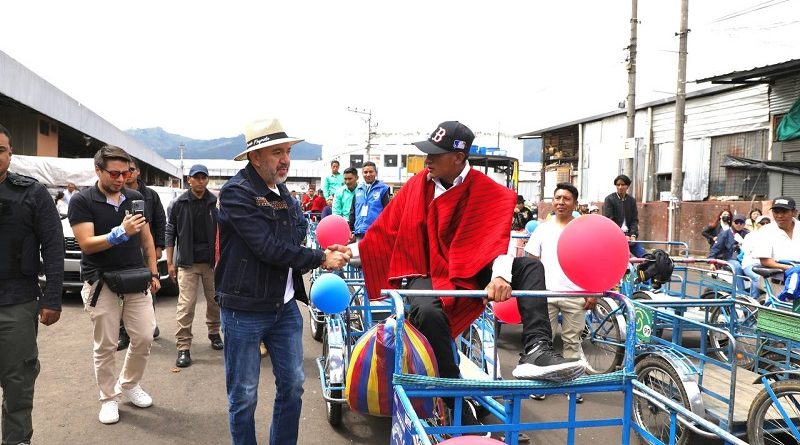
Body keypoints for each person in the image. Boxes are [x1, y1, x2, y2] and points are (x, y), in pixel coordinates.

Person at [351, 121, 585, 430]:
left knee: (530, 267)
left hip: (472, 266)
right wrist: (349, 252)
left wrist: (500, 277)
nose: (427, 160)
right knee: (428, 311)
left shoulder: (487, 191)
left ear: (458, 157)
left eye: (435, 154)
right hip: (424, 267)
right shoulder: (417, 186)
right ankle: (453, 396)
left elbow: (497, 241)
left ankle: (536, 349)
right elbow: (384, 231)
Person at [215, 118, 350, 445]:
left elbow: (296, 234)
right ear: (255, 156)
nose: (286, 159)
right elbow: (266, 247)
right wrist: (320, 258)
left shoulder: (283, 191)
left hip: (285, 307)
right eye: (277, 152)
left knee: (293, 386)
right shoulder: (236, 192)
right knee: (244, 395)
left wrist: (321, 249)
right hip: (243, 309)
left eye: (288, 151)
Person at [68, 145, 160, 425]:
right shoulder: (82, 200)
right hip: (101, 281)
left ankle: (129, 384)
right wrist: (120, 232)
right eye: (115, 173)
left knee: (144, 336)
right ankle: (108, 397)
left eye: (126, 173)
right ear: (98, 170)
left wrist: (154, 272)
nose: (121, 179)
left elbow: (146, 238)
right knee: (106, 345)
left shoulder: (135, 197)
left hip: (135, 278)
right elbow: (86, 243)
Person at [0, 124, 64, 445]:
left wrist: (52, 298)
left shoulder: (32, 193)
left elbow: (53, 245)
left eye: (0, 150)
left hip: (17, 301)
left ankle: (17, 440)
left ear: (11, 154)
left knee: (18, 380)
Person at [525, 183, 594, 403]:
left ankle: (571, 385)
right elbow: (532, 261)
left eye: (566, 199)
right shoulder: (542, 229)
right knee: (543, 341)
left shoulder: (583, 230)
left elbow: (592, 262)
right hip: (545, 294)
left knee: (572, 342)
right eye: (557, 198)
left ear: (575, 203)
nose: (561, 202)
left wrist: (592, 293)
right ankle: (541, 384)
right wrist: (532, 291)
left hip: (575, 295)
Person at [165, 164, 222, 368]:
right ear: (189, 180)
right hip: (187, 263)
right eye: (196, 177)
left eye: (203, 177)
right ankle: (183, 346)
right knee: (186, 305)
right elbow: (170, 232)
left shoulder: (215, 202)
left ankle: (214, 333)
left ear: (207, 179)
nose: (200, 181)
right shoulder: (178, 203)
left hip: (211, 263)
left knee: (215, 301)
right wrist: (169, 262)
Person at [117, 158, 166, 350]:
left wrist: (159, 246)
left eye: (131, 170)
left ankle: (149, 323)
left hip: (146, 249)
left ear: (138, 172)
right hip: (123, 249)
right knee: (122, 291)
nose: (127, 174)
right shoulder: (117, 193)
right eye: (124, 170)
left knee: (148, 287)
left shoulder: (150, 195)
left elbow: (160, 221)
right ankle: (123, 331)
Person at [602, 174, 645, 257]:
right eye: (618, 185)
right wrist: (622, 236)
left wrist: (633, 235)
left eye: (623, 185)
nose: (620, 187)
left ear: (627, 186)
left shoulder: (631, 201)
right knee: (625, 257)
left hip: (629, 236)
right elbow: (609, 221)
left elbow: (634, 220)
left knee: (645, 256)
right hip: (614, 237)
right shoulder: (609, 199)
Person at [754, 196, 800, 270]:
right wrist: (791, 268)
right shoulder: (765, 231)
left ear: (794, 212)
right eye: (776, 212)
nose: (779, 216)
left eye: (784, 212)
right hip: (777, 274)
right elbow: (765, 261)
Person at [708, 214, 750, 295]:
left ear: (744, 224)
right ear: (732, 222)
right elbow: (715, 248)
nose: (739, 224)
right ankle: (741, 293)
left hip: (746, 258)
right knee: (737, 266)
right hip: (730, 259)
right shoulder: (725, 233)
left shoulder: (747, 234)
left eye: (741, 222)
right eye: (737, 222)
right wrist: (712, 262)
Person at [349, 161, 390, 239]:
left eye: (371, 172)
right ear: (362, 174)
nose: (368, 174)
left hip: (376, 233)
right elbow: (352, 212)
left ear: (376, 173)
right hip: (359, 232)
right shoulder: (358, 190)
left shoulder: (383, 189)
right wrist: (350, 229)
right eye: (365, 172)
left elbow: (387, 212)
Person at [741, 215, 772, 299]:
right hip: (750, 265)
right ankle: (753, 301)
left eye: (767, 223)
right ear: (757, 224)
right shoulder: (750, 236)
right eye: (762, 223)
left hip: (768, 266)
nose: (765, 225)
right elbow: (747, 251)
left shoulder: (774, 236)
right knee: (757, 278)